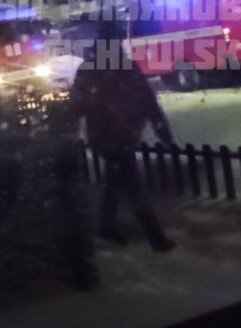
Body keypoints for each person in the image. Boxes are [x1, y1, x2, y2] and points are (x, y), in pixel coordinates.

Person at [69, 22, 176, 252]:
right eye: (117, 40)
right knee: (131, 185)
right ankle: (156, 238)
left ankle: (106, 227)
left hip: (110, 135)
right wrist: (161, 128)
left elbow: (76, 105)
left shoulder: (95, 69)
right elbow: (147, 100)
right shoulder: (118, 68)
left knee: (116, 181)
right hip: (115, 136)